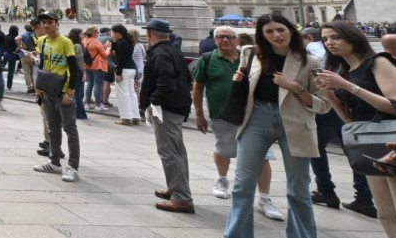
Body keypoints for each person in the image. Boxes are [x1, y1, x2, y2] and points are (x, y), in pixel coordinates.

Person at [213, 13, 329, 238]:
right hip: (256, 119)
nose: (276, 35)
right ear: (262, 36)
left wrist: (296, 88)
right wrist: (239, 83)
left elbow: (324, 105)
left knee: (299, 189)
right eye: (269, 32)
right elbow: (245, 86)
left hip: (296, 121)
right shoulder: (252, 56)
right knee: (242, 183)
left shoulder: (310, 62)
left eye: (281, 29)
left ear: (291, 31)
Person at [315, 21, 396, 238]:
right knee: (389, 219)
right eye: (326, 39)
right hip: (370, 150)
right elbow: (352, 122)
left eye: (336, 37)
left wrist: (348, 86)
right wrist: (330, 94)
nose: (330, 43)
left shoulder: (378, 63)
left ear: (353, 38)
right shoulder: (344, 72)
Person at [192, 26, 284, 220]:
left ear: (237, 40)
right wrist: (199, 114)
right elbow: (198, 88)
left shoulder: (252, 57)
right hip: (222, 113)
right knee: (224, 149)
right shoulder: (207, 59)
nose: (225, 40)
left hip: (253, 113)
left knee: (264, 156)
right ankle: (222, 179)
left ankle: (265, 198)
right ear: (215, 40)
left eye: (229, 37)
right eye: (221, 37)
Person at [140, 18, 195, 213]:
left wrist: (153, 101)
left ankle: (182, 197)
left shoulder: (160, 53)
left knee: (169, 151)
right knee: (177, 150)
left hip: (166, 109)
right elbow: (188, 78)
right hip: (178, 106)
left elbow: (166, 83)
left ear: (149, 34)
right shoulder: (173, 50)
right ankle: (176, 188)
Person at [30, 13, 82, 182]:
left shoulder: (66, 42)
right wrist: (38, 88)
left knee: (70, 129)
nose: (46, 25)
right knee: (52, 128)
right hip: (47, 90)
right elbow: (43, 66)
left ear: (57, 24)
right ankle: (54, 162)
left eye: (50, 22)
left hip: (62, 91)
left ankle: (73, 167)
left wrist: (70, 92)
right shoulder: (42, 41)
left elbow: (74, 69)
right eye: (43, 22)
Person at [110, 24, 142, 125]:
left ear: (117, 32)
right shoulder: (128, 41)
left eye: (113, 32)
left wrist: (118, 73)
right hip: (131, 68)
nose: (112, 34)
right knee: (131, 93)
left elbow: (120, 58)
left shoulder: (122, 43)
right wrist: (114, 44)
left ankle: (126, 118)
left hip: (123, 69)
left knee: (123, 94)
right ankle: (135, 116)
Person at [82, 26, 111, 113]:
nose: (98, 34)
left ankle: (87, 104)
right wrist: (108, 49)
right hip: (98, 65)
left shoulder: (84, 40)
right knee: (97, 85)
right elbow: (105, 55)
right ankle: (98, 105)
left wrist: (103, 46)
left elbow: (93, 50)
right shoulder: (95, 41)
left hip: (88, 65)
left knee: (89, 84)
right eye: (97, 33)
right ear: (94, 33)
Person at [3, 24, 20, 90]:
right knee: (11, 71)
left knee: (0, 69)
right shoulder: (16, 38)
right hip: (12, 53)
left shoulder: (6, 36)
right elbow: (18, 47)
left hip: (5, 53)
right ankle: (9, 86)